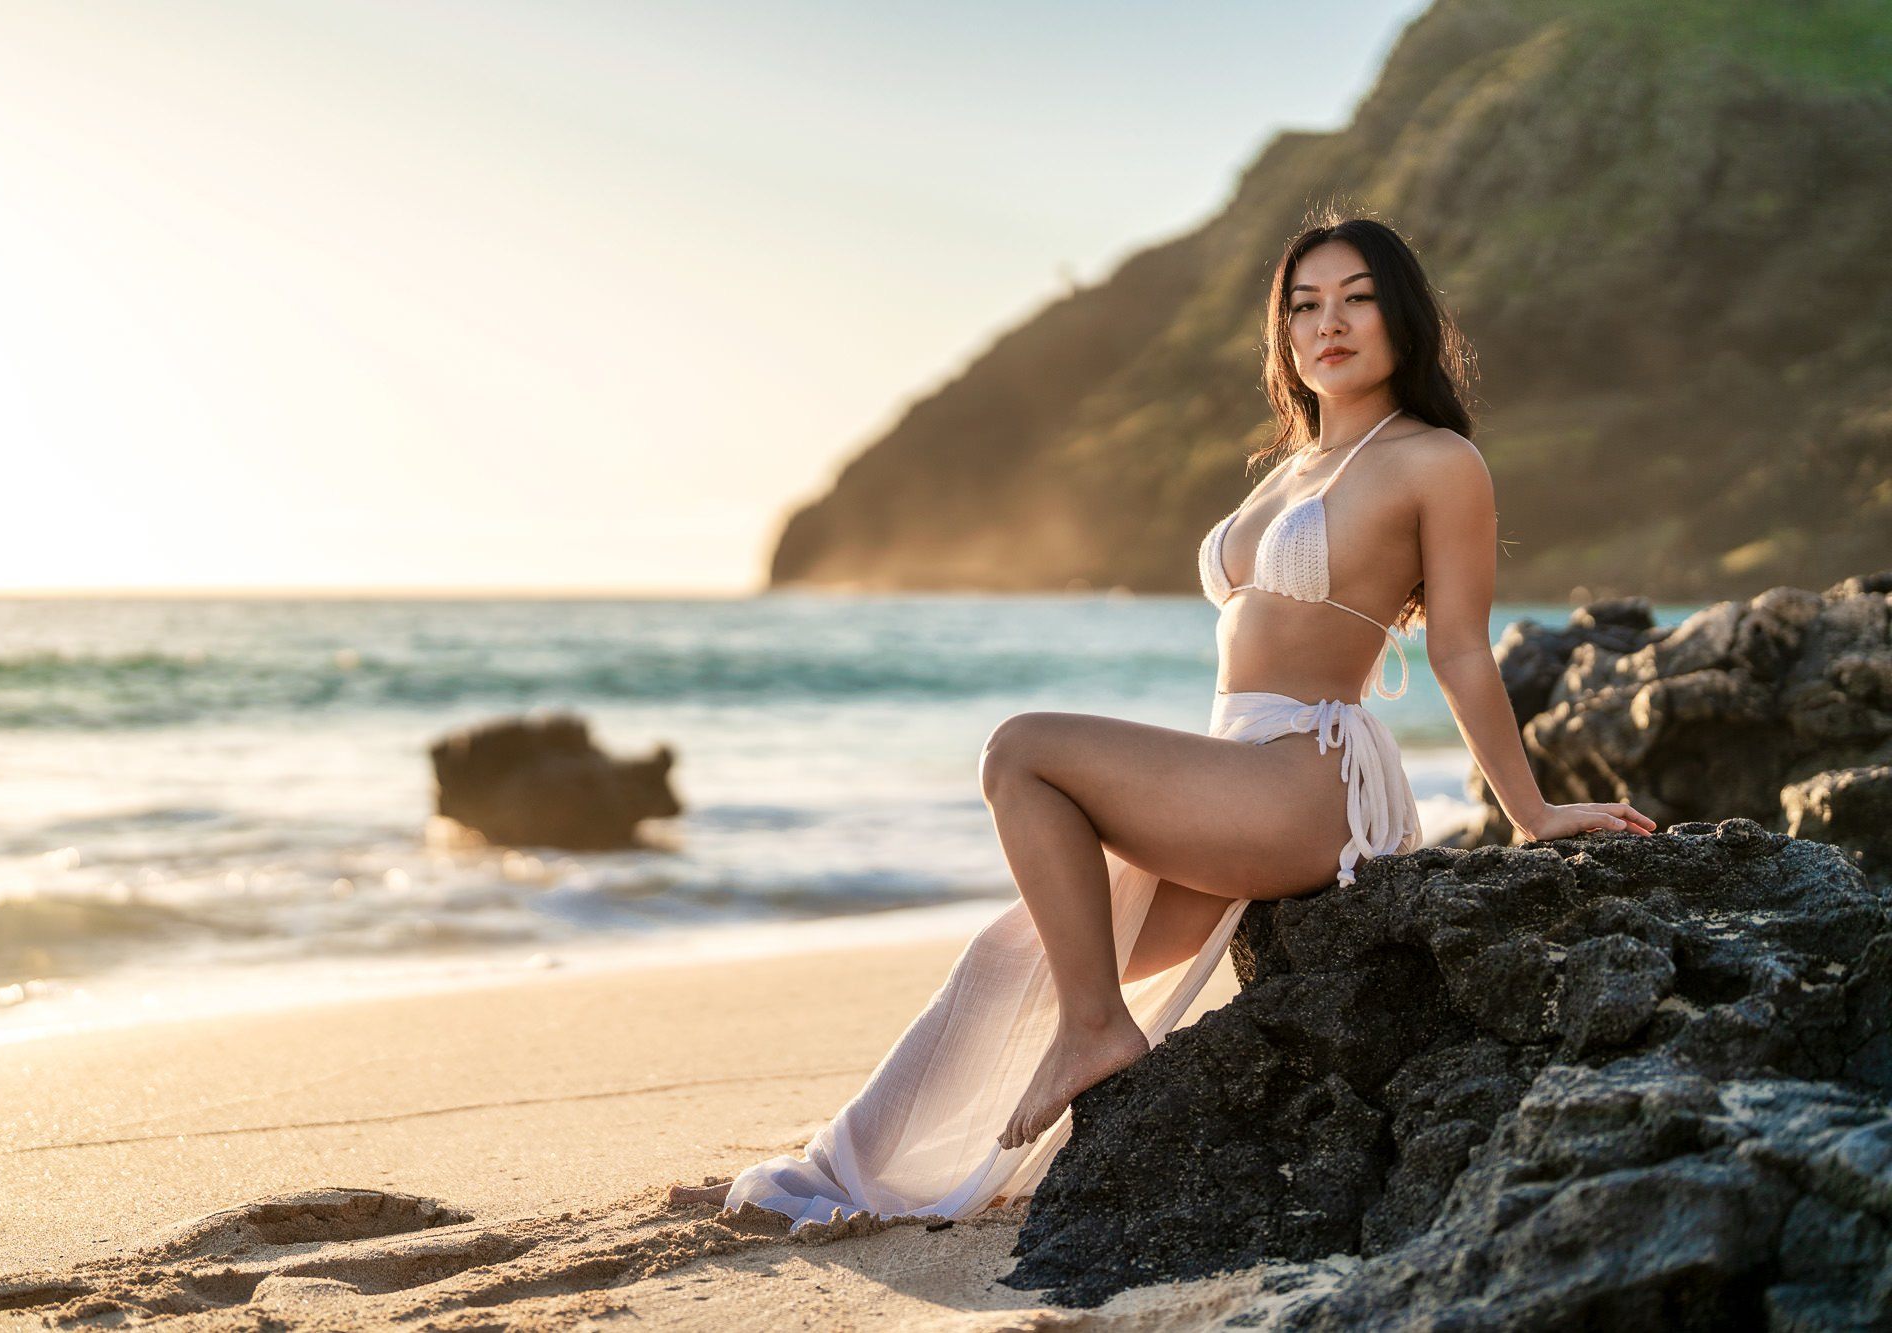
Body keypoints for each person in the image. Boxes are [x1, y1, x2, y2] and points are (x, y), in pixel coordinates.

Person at [676, 213, 1656, 1229]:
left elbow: (1457, 647)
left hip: (1299, 783)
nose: (1328, 323)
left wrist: (1529, 810)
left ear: (1402, 314)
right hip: (1227, 780)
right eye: (1302, 305)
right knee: (1005, 957)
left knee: (1020, 752)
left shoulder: (1434, 460)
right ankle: (844, 1170)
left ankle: (1097, 1029)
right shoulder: (1285, 470)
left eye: (1356, 297)